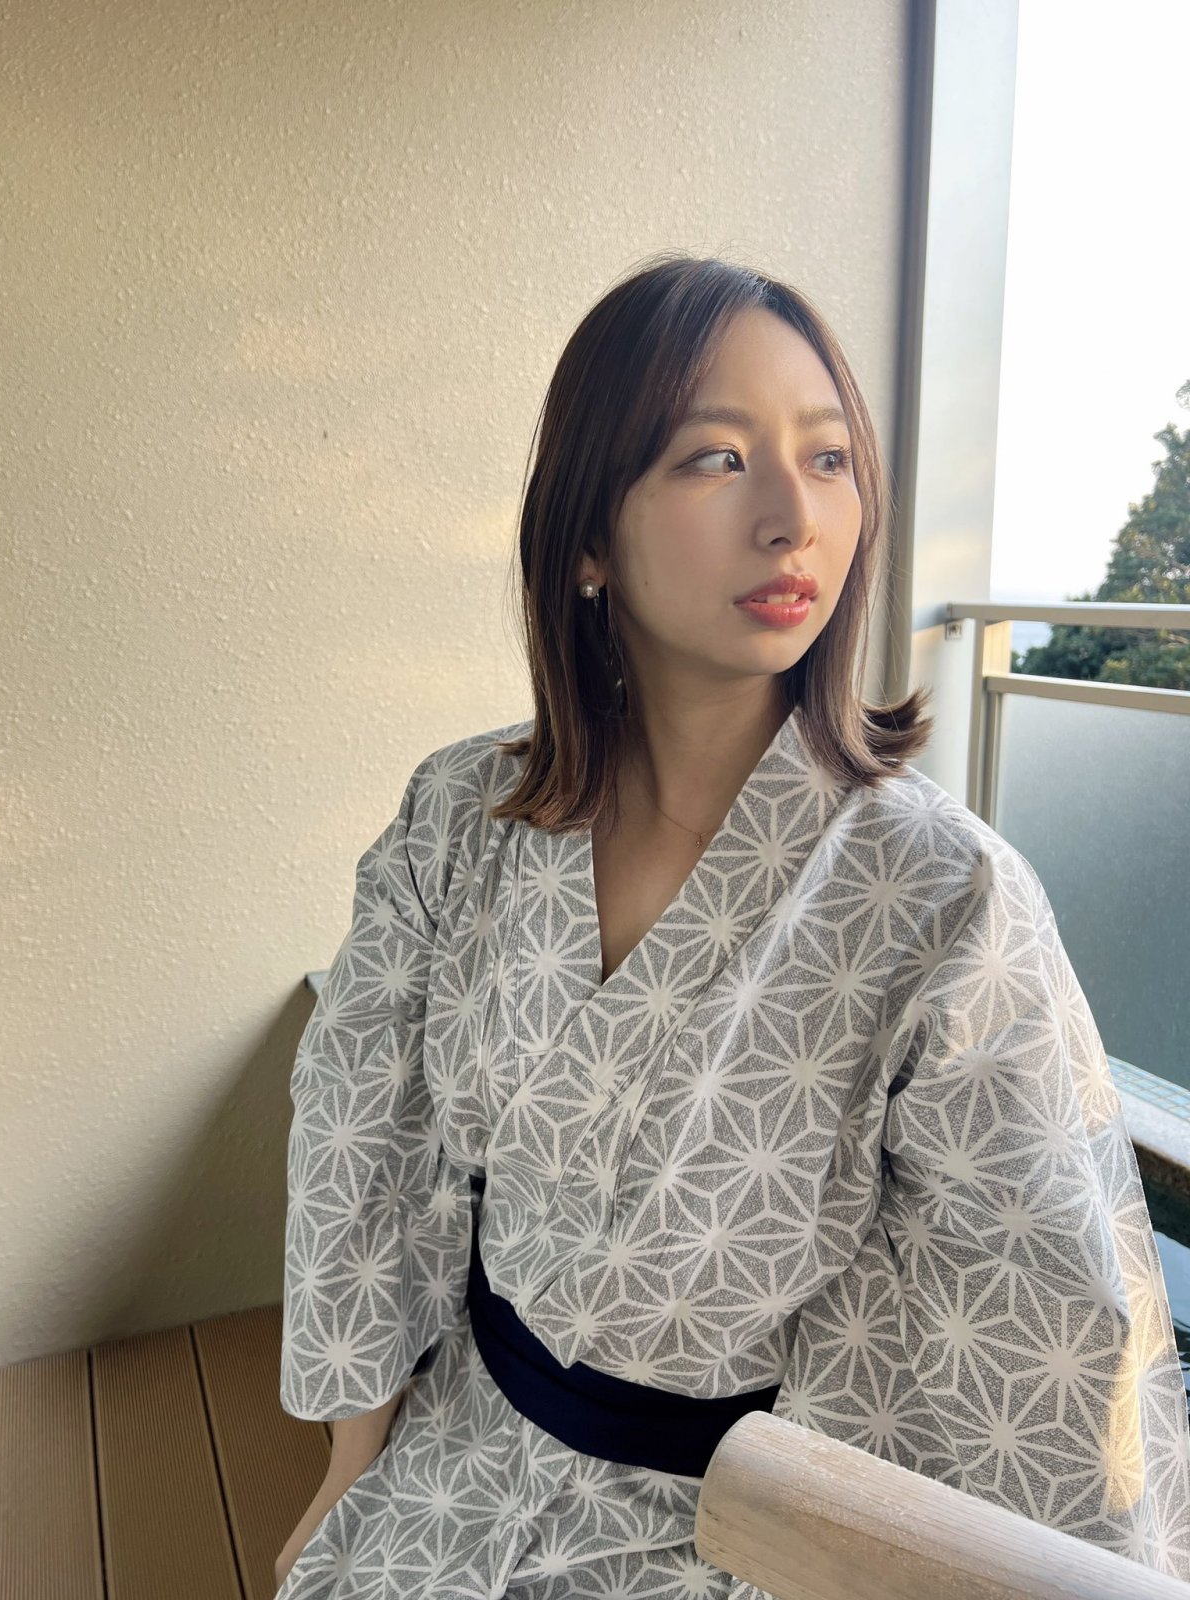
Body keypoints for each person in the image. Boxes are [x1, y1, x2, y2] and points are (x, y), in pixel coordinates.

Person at [274, 254, 1190, 1598]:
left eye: (829, 459)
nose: (793, 519)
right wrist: (349, 1471)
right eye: (716, 458)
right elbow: (364, 1134)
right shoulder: (458, 816)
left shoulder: (941, 896)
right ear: (588, 538)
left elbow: (1045, 1332)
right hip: (458, 1461)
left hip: (746, 1537)